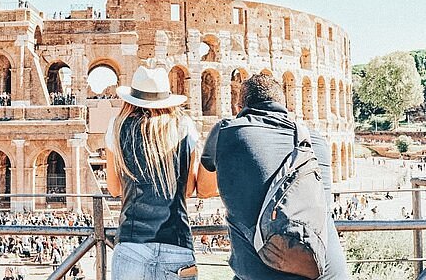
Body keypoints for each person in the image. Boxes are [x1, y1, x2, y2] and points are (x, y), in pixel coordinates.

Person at [200, 74, 349, 279]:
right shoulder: (316, 141)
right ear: (286, 106)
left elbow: (204, 189)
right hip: (328, 271)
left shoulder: (226, 131)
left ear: (238, 107)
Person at [106, 66, 216, 280]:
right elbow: (189, 189)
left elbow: (114, 187)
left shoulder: (117, 127)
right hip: (177, 244)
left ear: (132, 99)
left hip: (131, 245)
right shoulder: (184, 126)